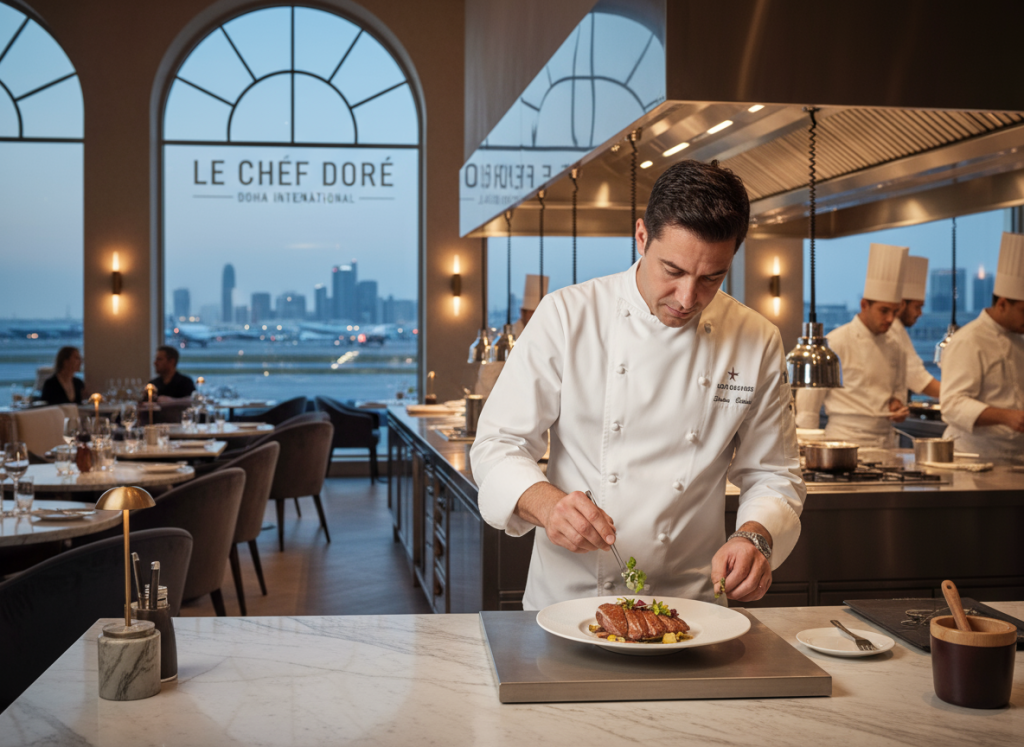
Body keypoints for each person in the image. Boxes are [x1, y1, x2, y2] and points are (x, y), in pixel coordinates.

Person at [471, 160, 805, 610]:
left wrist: (754, 537)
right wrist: (548, 506)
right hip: (571, 599)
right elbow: (498, 444)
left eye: (711, 277)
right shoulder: (567, 315)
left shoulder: (756, 339)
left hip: (692, 603)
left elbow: (773, 473)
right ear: (642, 236)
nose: (687, 298)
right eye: (673, 270)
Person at [795, 244, 910, 448]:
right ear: (864, 305)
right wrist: (805, 447)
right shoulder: (836, 341)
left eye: (895, 312)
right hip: (843, 440)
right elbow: (808, 404)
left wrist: (897, 405)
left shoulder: (896, 345)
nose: (890, 319)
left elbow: (899, 391)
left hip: (885, 442)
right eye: (884, 311)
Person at [940, 232, 1024, 463]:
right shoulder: (968, 340)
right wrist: (1007, 417)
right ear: (1003, 304)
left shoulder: (1019, 341)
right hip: (973, 457)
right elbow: (952, 404)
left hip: (1016, 459)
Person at [474, 274, 549, 397]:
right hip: (497, 397)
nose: (537, 317)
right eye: (533, 313)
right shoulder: (507, 338)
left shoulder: (542, 335)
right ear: (522, 312)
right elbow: (487, 376)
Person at [892, 255, 940, 398]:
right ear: (902, 304)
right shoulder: (893, 330)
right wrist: (956, 397)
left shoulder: (897, 330)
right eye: (917, 307)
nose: (920, 313)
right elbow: (918, 378)